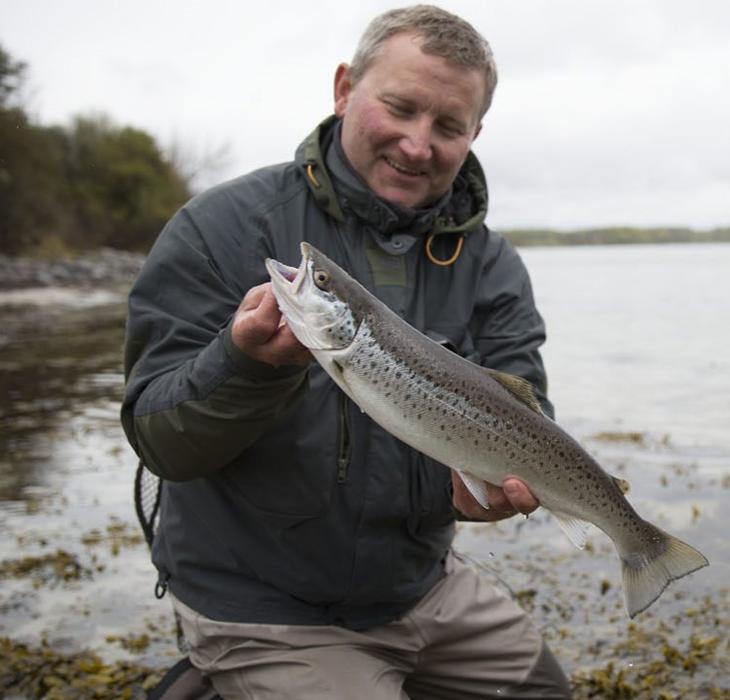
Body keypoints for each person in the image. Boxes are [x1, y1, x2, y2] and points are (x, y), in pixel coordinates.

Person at [122, 5, 572, 699]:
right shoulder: (220, 227)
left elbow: (523, 402)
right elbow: (159, 439)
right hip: (264, 603)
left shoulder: (491, 265)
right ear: (343, 89)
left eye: (448, 126)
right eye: (400, 107)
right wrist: (246, 366)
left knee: (544, 690)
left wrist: (494, 485)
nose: (418, 144)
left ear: (475, 133)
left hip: (419, 587)